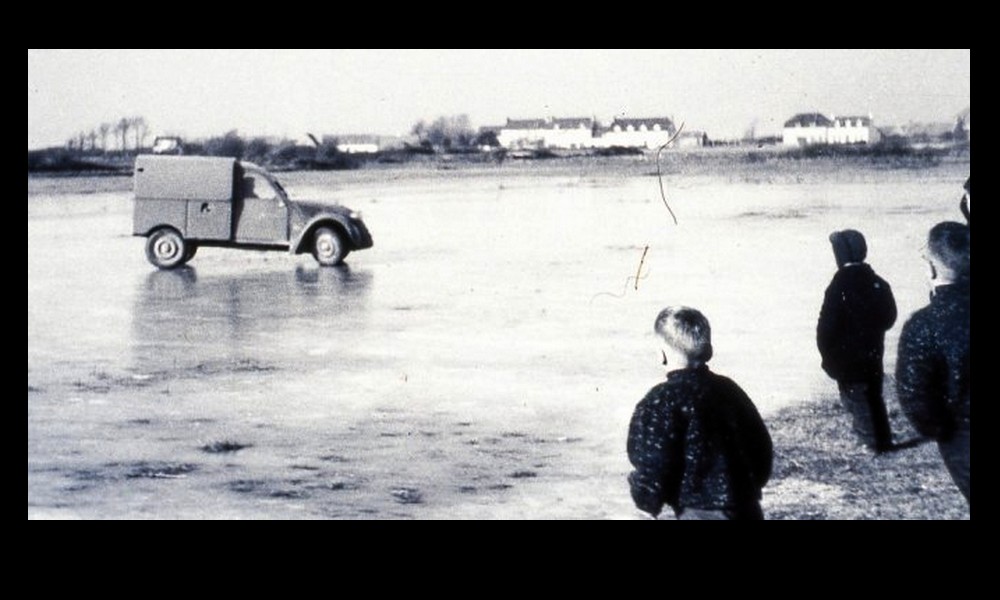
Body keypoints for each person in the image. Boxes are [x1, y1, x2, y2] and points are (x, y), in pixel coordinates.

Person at [627, 306, 773, 520]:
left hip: (698, 511)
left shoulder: (661, 400)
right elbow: (761, 445)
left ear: (662, 355)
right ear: (708, 349)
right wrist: (748, 486)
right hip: (746, 508)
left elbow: (653, 460)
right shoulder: (729, 390)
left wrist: (646, 505)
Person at [896, 221, 970, 506]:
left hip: (963, 438)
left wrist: (940, 431)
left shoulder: (924, 324)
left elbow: (915, 396)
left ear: (933, 267)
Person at [817, 229, 898, 453]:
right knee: (874, 397)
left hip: (847, 359)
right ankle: (883, 439)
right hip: (873, 354)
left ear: (839, 255)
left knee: (857, 401)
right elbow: (889, 317)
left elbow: (826, 326)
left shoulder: (838, 286)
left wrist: (827, 354)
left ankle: (870, 443)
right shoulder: (877, 281)